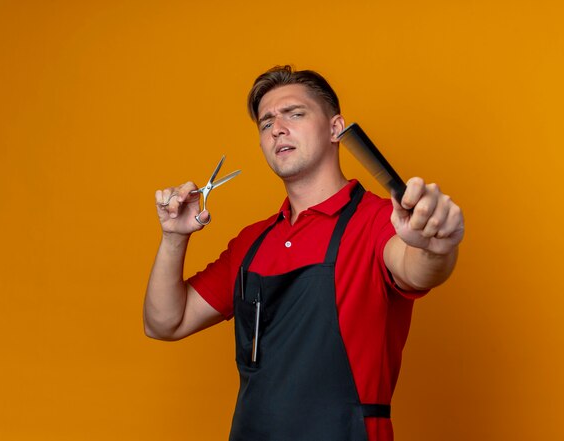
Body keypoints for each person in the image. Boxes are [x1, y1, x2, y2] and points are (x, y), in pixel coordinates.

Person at [144, 65, 464, 441]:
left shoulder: (379, 221)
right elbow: (165, 322)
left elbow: (417, 268)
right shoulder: (251, 242)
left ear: (335, 129)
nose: (277, 127)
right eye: (266, 123)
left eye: (294, 114)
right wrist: (173, 237)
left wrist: (435, 244)